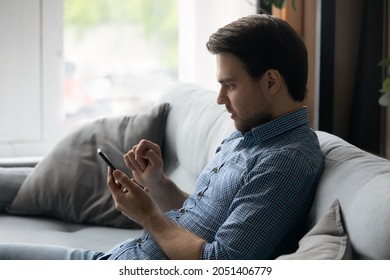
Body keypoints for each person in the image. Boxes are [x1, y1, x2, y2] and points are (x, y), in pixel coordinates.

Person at [0, 14, 324, 260]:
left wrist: (147, 214)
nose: (220, 99)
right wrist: (157, 184)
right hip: (118, 258)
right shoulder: (249, 136)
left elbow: (219, 263)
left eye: (231, 85)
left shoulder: (286, 161)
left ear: (270, 82)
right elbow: (199, 217)